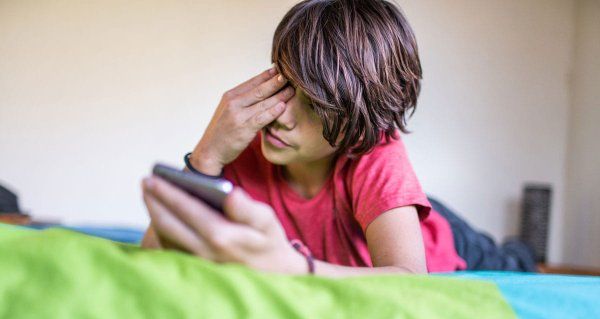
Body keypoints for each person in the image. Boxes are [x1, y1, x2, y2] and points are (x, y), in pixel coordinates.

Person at [141, 0, 533, 276]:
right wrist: (206, 155)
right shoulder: (249, 147)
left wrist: (295, 268)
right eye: (285, 86)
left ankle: (522, 248)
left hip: (446, 240)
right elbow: (153, 257)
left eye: (315, 105)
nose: (280, 118)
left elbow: (409, 277)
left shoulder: (376, 152)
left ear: (361, 125)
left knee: (515, 262)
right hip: (379, 207)